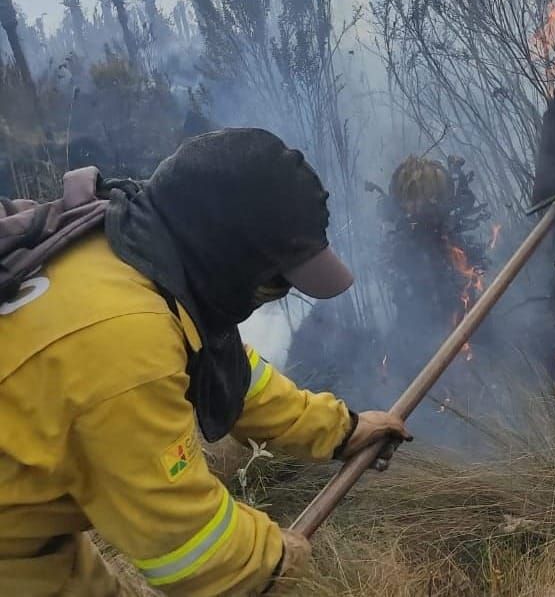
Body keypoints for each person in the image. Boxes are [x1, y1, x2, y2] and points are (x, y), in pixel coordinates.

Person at [0, 128, 412, 596]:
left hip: (25, 524)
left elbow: (235, 378)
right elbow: (184, 543)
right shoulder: (124, 348)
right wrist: (274, 562)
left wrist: (343, 430)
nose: (274, 296)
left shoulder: (126, 253)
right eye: (275, 281)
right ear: (226, 254)